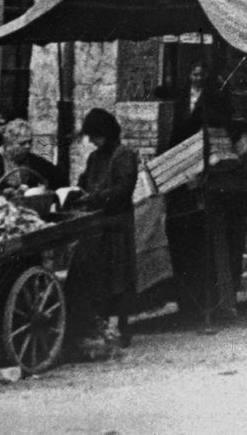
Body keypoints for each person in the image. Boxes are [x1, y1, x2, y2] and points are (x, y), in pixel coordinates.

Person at [65, 108, 140, 355]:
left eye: (95, 136)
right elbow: (84, 182)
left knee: (118, 278)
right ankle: (97, 325)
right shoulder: (94, 158)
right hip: (96, 225)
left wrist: (94, 198)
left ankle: (121, 327)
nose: (93, 141)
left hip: (116, 225)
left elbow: (122, 191)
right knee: (94, 276)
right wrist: (75, 193)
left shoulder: (124, 155)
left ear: (107, 133)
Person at [0, 119, 60, 206]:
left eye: (30, 142)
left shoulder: (32, 160)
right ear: (9, 144)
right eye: (22, 143)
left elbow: (57, 176)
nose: (28, 146)